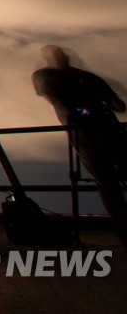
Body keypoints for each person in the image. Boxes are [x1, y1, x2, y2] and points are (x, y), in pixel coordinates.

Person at [32, 45, 127, 244]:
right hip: (86, 135)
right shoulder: (45, 76)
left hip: (104, 131)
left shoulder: (86, 77)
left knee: (109, 180)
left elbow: (117, 104)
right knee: (106, 181)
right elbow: (56, 100)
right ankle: (124, 231)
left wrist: (113, 103)